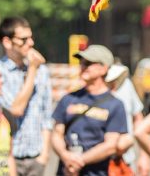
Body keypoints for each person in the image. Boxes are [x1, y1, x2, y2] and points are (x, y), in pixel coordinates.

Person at [53, 45, 127, 176]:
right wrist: (66, 157)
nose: (83, 67)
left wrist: (79, 161)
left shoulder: (115, 104)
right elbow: (57, 134)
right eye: (81, 63)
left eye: (88, 63)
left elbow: (110, 145)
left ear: (104, 69)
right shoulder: (68, 99)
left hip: (96, 172)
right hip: (66, 170)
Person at [0, 17, 53, 176]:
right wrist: (32, 70)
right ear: (7, 42)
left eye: (31, 37)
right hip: (8, 157)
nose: (31, 43)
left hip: (36, 158)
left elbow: (47, 116)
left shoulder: (42, 71)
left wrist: (44, 155)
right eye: (24, 39)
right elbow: (15, 109)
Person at [105, 63, 150, 176]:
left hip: (125, 160)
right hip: (96, 164)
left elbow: (138, 118)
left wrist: (144, 156)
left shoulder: (126, 85)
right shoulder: (86, 92)